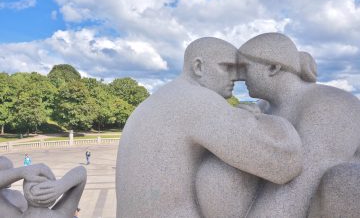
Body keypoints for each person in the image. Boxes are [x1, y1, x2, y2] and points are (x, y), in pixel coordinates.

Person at [116, 37, 303, 217]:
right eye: (227, 67)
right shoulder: (196, 100)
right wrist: (263, 119)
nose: (237, 77)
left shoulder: (160, 98)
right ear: (198, 67)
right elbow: (283, 162)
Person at [235, 32, 360, 217]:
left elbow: (298, 190)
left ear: (273, 67)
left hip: (331, 200)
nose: (239, 77)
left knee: (345, 181)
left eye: (244, 67)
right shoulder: (262, 106)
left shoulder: (330, 104)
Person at [22, 165, 87, 218]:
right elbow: (81, 171)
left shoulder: (18, 212)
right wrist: (61, 185)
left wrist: (20, 172)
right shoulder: (63, 215)